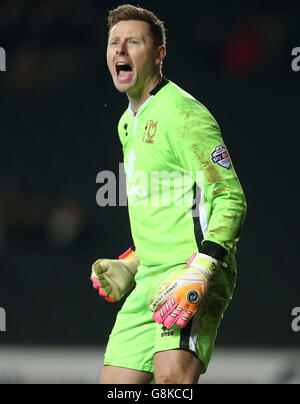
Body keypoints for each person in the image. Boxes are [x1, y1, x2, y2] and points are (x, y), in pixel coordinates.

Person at [91, 4, 247, 384]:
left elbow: (230, 198)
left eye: (133, 42)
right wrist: (132, 263)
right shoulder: (127, 123)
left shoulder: (183, 114)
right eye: (115, 43)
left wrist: (202, 269)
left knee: (172, 383)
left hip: (190, 271)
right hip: (150, 277)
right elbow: (168, 207)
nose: (121, 51)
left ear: (159, 54)